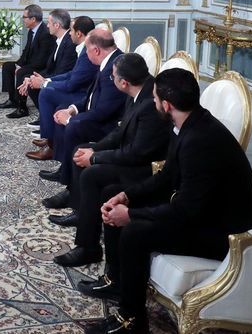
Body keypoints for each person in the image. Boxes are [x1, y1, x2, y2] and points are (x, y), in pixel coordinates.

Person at [80, 68, 252, 334]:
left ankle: (131, 321)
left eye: (155, 98)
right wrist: (127, 196)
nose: (153, 102)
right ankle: (118, 283)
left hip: (224, 233)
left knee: (134, 232)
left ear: (166, 105)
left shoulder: (200, 140)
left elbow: (186, 211)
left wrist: (131, 216)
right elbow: (167, 176)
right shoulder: (188, 123)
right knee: (117, 198)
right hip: (202, 212)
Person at [51, 53, 172, 267]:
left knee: (91, 173)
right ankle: (83, 213)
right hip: (131, 154)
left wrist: (95, 158)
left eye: (113, 76)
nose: (111, 78)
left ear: (123, 82)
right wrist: (93, 150)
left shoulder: (149, 103)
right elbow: (120, 132)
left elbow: (137, 154)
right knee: (81, 151)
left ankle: (88, 248)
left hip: (146, 168)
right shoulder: (137, 89)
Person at [31, 29, 126, 210]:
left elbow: (105, 111)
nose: (85, 54)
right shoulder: (107, 60)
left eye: (86, 50)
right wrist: (72, 110)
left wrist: (70, 120)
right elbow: (91, 97)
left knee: (73, 126)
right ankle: (65, 171)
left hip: (110, 126)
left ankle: (71, 191)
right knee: (62, 112)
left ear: (96, 50)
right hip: (98, 116)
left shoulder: (115, 68)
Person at [27, 16, 96, 143]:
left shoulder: (88, 52)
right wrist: (47, 80)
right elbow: (71, 74)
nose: (69, 33)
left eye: (71, 30)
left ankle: (49, 142)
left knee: (46, 93)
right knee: (48, 91)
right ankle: (50, 139)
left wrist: (43, 84)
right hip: (79, 90)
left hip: (84, 96)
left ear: (79, 34)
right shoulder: (84, 48)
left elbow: (71, 84)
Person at [0, 4, 55, 119]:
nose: (23, 19)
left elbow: (42, 60)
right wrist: (18, 64)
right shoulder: (32, 31)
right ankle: (13, 99)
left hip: (41, 66)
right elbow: (26, 51)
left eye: (24, 17)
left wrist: (22, 68)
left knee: (22, 72)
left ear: (33, 19)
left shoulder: (45, 33)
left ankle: (22, 108)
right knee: (7, 66)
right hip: (32, 63)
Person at [16, 9, 77, 112]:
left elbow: (62, 72)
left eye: (49, 23)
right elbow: (50, 68)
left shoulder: (69, 43)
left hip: (65, 83)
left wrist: (41, 80)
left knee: (32, 84)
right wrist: (32, 78)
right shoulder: (60, 40)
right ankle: (45, 114)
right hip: (56, 76)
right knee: (29, 80)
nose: (47, 26)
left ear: (57, 25)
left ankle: (48, 114)